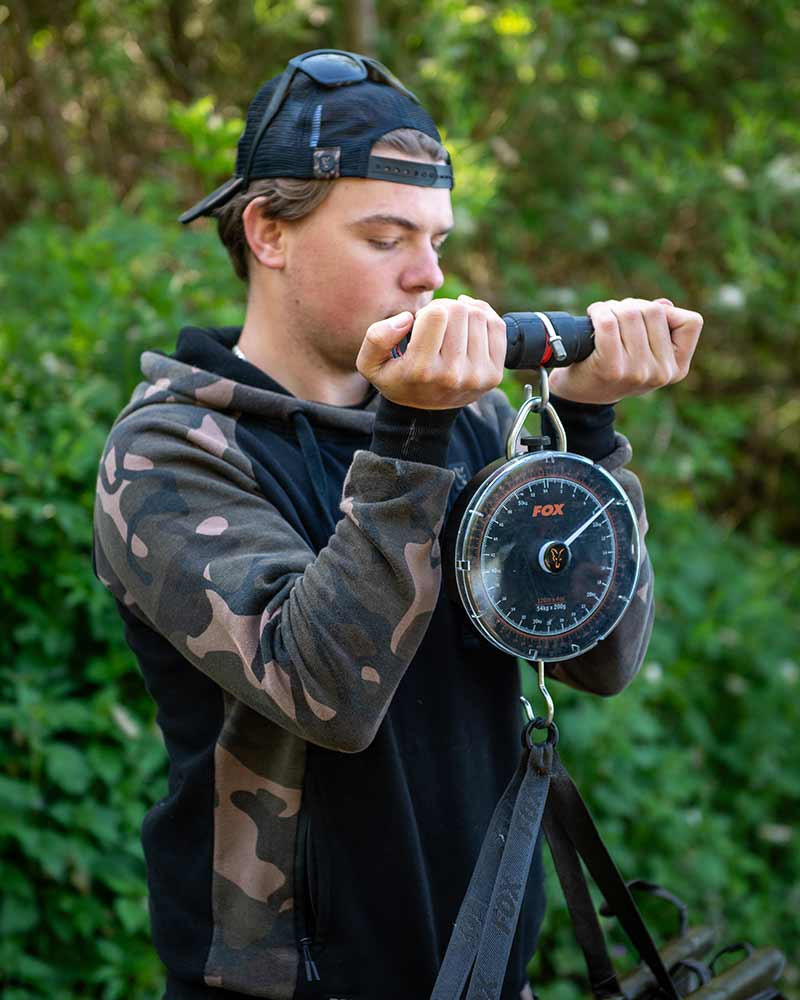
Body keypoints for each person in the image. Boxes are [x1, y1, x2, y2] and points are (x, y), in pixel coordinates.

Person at [92, 49, 703, 1000]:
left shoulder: (475, 420)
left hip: (483, 968)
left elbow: (599, 655)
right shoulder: (169, 454)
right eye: (385, 238)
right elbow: (323, 693)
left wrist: (585, 425)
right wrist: (412, 434)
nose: (430, 275)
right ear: (268, 232)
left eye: (437, 239)